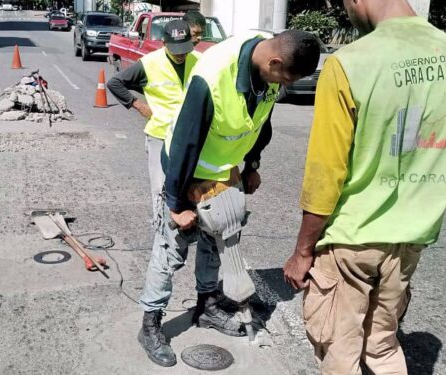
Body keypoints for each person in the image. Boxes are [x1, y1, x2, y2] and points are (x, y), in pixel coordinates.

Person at [282, 1, 446, 374]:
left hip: (351, 239)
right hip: (413, 235)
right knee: (383, 344)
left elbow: (326, 173)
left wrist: (303, 251)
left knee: (339, 348)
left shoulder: (349, 63)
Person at [137, 30, 321, 367]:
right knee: (171, 249)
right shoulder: (213, 76)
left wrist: (252, 164)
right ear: (274, 62)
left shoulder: (266, 67)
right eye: (287, 79)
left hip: (223, 170)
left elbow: (261, 122)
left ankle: (206, 305)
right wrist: (177, 205)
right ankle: (150, 323)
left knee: (217, 240)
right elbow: (184, 142)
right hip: (187, 169)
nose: (285, 87)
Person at [106, 20, 199, 222]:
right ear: (164, 43)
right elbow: (115, 83)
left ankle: (185, 227)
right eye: (176, 50)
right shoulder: (150, 63)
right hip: (160, 135)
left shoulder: (199, 61)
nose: (181, 54)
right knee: (161, 188)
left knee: (189, 186)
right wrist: (139, 105)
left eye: (185, 49)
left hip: (191, 137)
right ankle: (161, 230)